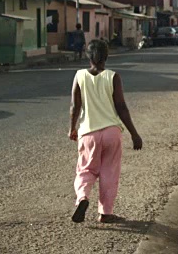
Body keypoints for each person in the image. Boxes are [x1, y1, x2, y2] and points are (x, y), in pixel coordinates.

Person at [68, 39, 143, 224]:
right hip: (111, 132)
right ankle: (105, 213)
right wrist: (134, 133)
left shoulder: (79, 76)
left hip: (88, 133)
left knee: (85, 170)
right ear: (107, 56)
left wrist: (72, 128)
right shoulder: (113, 76)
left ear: (88, 56)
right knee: (109, 172)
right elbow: (121, 107)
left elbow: (74, 106)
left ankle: (83, 198)